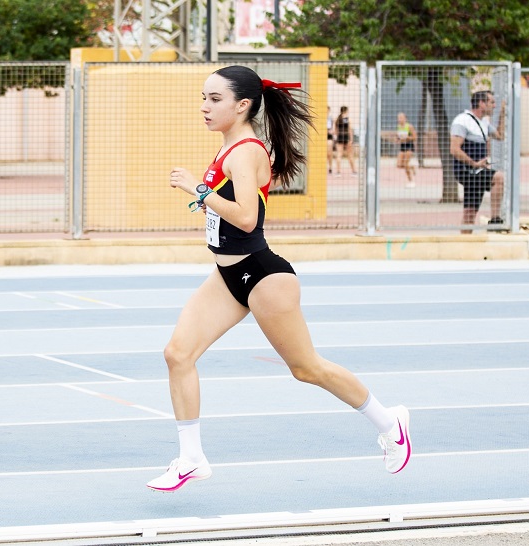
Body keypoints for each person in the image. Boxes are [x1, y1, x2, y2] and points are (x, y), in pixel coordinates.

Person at [147, 65, 411, 493]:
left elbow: (248, 218)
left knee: (306, 369)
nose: (204, 107)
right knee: (178, 354)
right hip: (227, 275)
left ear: (243, 105)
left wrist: (199, 191)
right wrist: (209, 201)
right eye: (203, 97)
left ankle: (389, 421)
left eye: (215, 99)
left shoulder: (244, 151)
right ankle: (191, 458)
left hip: (263, 277)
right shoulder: (228, 148)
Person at [450, 90, 507, 233]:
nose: (494, 106)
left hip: (478, 171)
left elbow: (500, 136)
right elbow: (454, 149)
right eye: (491, 102)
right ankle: (495, 220)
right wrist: (474, 163)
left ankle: (464, 243)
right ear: (481, 103)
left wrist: (502, 114)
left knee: (469, 214)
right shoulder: (462, 120)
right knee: (498, 177)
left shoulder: (483, 123)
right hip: (467, 170)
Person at [396, 112, 417, 187]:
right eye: (398, 118)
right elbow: (397, 137)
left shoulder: (409, 126)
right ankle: (413, 167)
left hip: (409, 146)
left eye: (401, 117)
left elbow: (415, 137)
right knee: (399, 165)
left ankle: (411, 181)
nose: (399, 119)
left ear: (405, 118)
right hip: (402, 146)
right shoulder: (398, 127)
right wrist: (398, 139)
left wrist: (407, 138)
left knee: (405, 164)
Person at [334, 105, 357, 175]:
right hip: (346, 137)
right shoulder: (348, 119)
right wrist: (351, 139)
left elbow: (335, 131)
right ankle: (354, 171)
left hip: (340, 137)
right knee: (350, 155)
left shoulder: (337, 119)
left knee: (339, 154)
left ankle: (338, 172)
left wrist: (337, 137)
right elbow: (350, 130)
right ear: (346, 111)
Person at [326, 106, 335, 173]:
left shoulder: (331, 119)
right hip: (321, 136)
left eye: (327, 110)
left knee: (329, 152)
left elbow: (333, 129)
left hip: (329, 136)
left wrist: (331, 131)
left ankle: (330, 167)